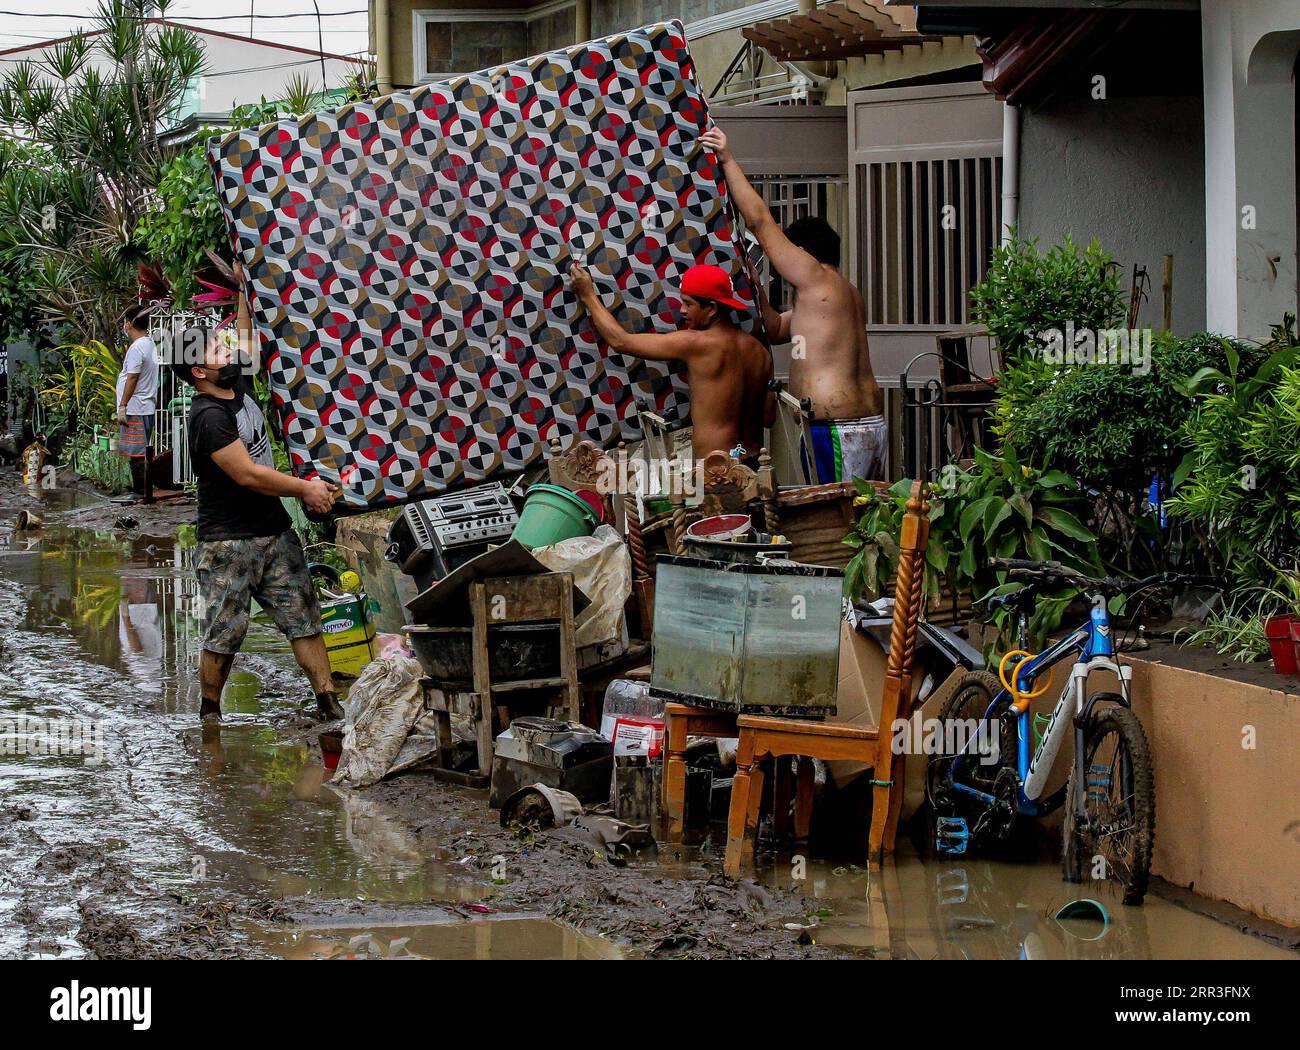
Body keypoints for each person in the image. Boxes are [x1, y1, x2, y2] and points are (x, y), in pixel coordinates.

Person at [169, 263, 344, 723]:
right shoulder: (207, 416)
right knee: (224, 634)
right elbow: (248, 474)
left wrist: (246, 291)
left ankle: (328, 702)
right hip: (228, 541)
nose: (226, 348)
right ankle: (209, 715)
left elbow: (244, 335)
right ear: (199, 369)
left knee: (302, 617)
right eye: (215, 348)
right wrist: (306, 488)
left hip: (273, 531)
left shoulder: (235, 384)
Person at [701, 124, 887, 484]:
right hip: (861, 426)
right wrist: (756, 286)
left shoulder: (816, 277)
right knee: (859, 524)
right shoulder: (838, 294)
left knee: (837, 525)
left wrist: (727, 159)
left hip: (837, 431)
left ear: (804, 253)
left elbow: (759, 222)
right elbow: (775, 329)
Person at [569, 261, 774, 464]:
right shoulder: (759, 351)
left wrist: (587, 295)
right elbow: (769, 417)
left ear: (711, 309)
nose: (682, 310)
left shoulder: (696, 343)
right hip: (753, 461)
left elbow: (621, 342)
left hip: (717, 471)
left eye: (688, 304)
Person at [116, 305, 159, 502]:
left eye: (125, 321)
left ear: (130, 323)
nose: (124, 325)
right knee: (141, 451)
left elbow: (132, 378)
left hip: (135, 408)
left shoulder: (137, 348)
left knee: (136, 453)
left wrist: (123, 405)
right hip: (145, 406)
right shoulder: (149, 344)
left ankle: (139, 492)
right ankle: (142, 491)